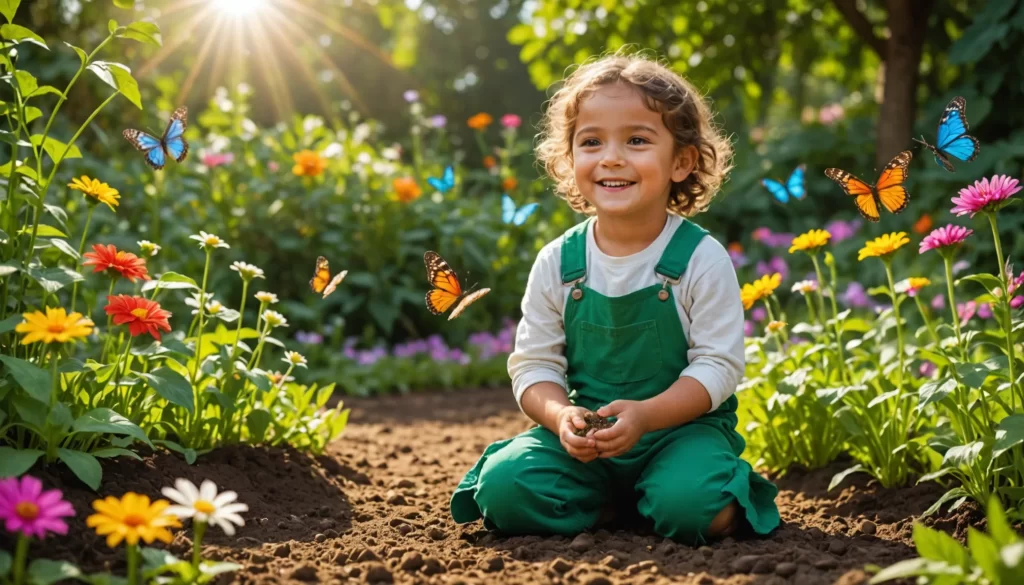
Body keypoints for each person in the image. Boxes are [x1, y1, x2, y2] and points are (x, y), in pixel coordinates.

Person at [449, 51, 780, 545]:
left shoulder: (700, 258)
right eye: (591, 141)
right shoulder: (559, 262)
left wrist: (647, 417)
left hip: (680, 434)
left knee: (696, 505)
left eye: (637, 140)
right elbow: (534, 366)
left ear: (682, 161)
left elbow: (718, 366)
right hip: (590, 445)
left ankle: (666, 497)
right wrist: (560, 416)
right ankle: (615, 503)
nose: (611, 157)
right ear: (570, 159)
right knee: (505, 487)